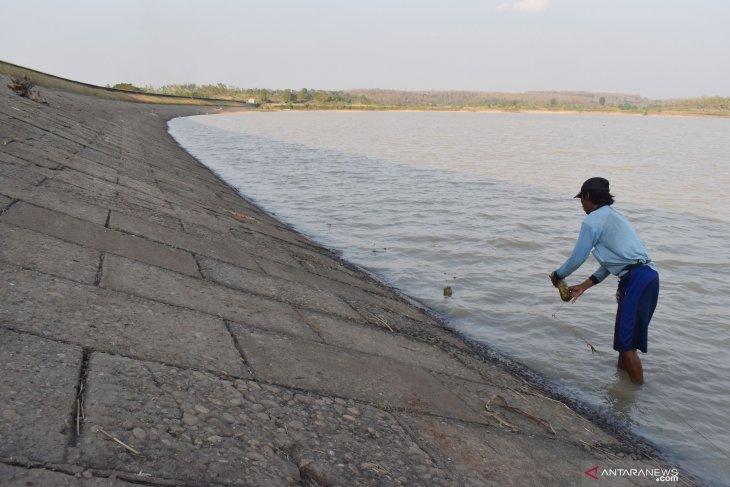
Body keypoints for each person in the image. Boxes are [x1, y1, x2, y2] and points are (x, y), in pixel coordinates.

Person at [550, 177, 659, 384]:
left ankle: (637, 396)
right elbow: (614, 263)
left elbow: (578, 257)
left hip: (638, 279)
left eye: (581, 199)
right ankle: (622, 392)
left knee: (627, 345)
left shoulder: (592, 221)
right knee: (624, 341)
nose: (581, 204)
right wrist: (584, 286)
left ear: (588, 197)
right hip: (642, 278)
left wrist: (558, 275)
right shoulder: (613, 217)